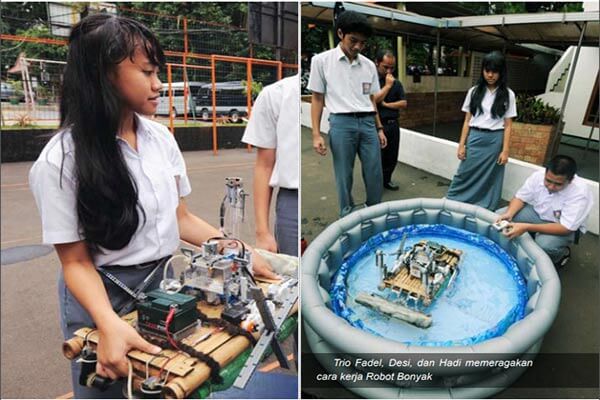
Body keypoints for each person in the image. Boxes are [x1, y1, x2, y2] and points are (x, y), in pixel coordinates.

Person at [28, 14, 275, 398]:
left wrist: (239, 251)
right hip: (101, 292)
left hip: (163, 284)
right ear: (103, 75)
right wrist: (107, 324)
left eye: (157, 71)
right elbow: (75, 262)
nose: (159, 84)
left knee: (168, 386)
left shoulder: (160, 138)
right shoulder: (61, 160)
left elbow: (182, 219)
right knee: (109, 388)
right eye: (146, 72)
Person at [308, 10, 387, 217]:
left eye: (363, 42)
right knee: (344, 175)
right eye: (353, 40)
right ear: (340, 33)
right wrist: (316, 134)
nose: (358, 46)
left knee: (374, 173)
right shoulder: (321, 61)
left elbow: (371, 99)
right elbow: (317, 98)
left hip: (368, 122)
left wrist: (379, 128)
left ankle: (374, 212)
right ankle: (347, 214)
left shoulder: (369, 65)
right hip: (341, 124)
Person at [446, 51, 517, 210]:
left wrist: (505, 151)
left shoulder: (508, 95)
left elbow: (508, 125)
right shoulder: (474, 91)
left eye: (495, 71)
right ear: (483, 71)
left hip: (495, 140)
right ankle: (453, 199)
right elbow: (467, 120)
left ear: (501, 72)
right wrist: (461, 145)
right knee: (464, 172)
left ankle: (484, 206)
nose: (490, 75)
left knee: (491, 175)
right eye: (487, 70)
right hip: (475, 137)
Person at [496, 155, 594, 268]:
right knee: (500, 216)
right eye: (548, 181)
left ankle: (560, 256)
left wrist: (526, 227)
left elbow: (566, 228)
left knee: (544, 245)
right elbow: (520, 198)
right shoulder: (537, 176)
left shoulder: (580, 193)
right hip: (538, 215)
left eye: (558, 184)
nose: (551, 187)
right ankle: (527, 240)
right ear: (546, 172)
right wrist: (509, 214)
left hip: (563, 227)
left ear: (570, 180)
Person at [242, 75, 299, 256]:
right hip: (291, 201)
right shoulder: (275, 95)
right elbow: (264, 165)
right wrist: (262, 232)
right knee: (293, 272)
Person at [372, 50, 407, 191]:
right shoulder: (372, 81)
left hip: (393, 124)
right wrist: (386, 87)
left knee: (392, 156)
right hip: (377, 124)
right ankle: (375, 183)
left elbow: (403, 103)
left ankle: (387, 180)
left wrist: (386, 105)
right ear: (377, 63)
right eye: (385, 67)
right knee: (377, 157)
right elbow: (373, 100)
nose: (389, 70)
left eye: (392, 67)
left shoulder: (396, 83)